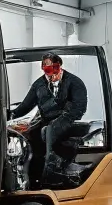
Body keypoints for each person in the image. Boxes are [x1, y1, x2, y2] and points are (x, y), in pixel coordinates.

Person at [8, 54, 89, 183]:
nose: (52, 76)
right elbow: (26, 105)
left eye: (54, 71)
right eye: (47, 71)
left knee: (50, 129)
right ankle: (31, 175)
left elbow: (80, 107)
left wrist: (65, 117)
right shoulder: (39, 85)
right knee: (29, 134)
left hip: (67, 119)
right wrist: (10, 115)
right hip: (46, 121)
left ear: (59, 67)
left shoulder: (75, 82)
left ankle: (51, 168)